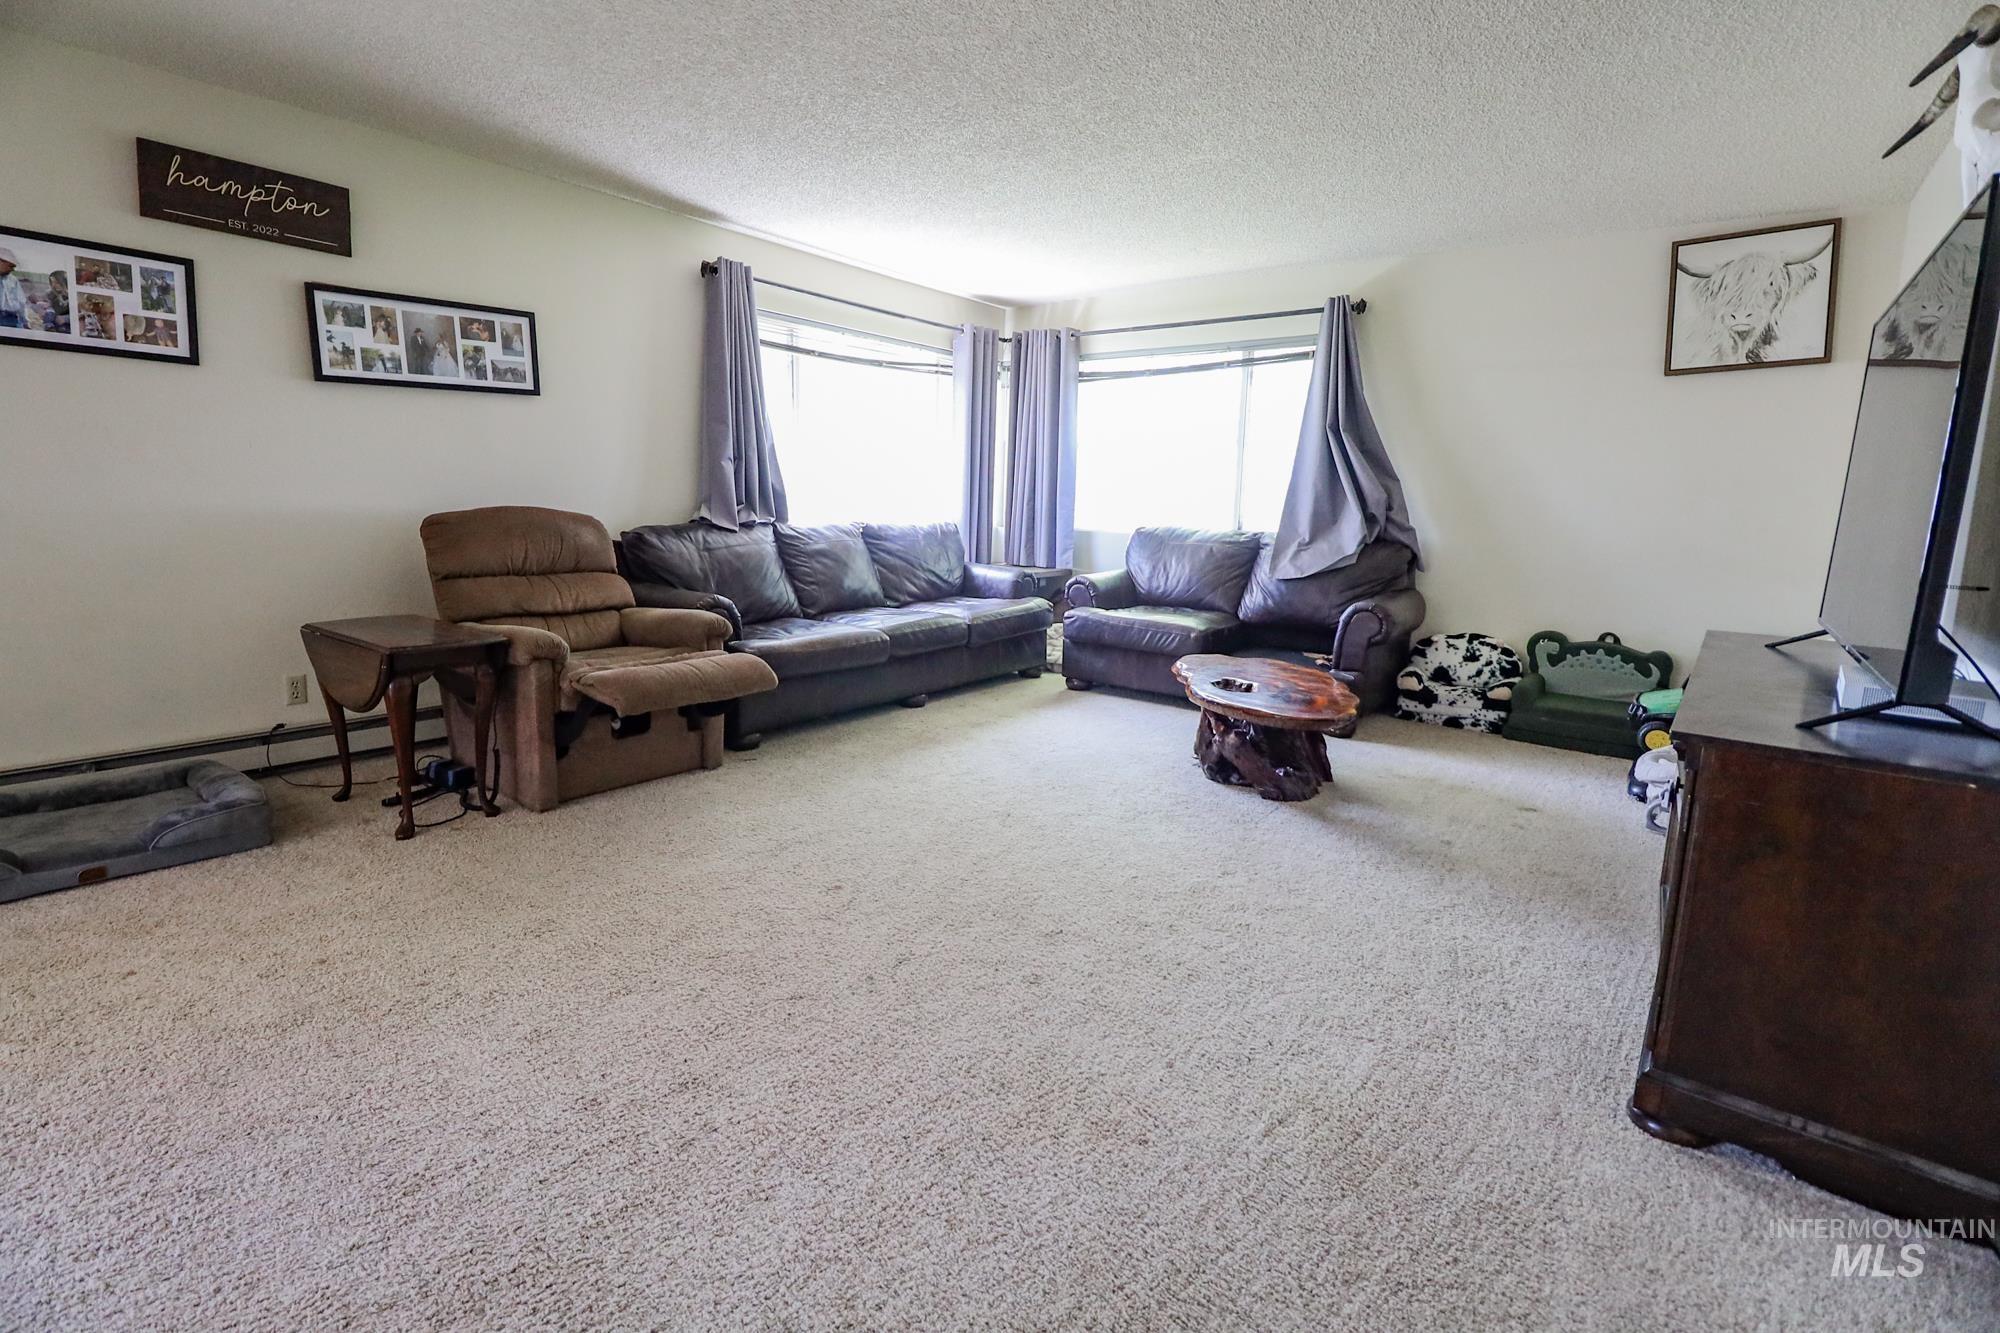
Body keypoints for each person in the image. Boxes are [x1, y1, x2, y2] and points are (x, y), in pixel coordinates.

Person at [0, 248, 26, 329]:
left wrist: (23, 321)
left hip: (11, 319)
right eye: (10, 266)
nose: (12, 269)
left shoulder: (13, 280)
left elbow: (21, 302)